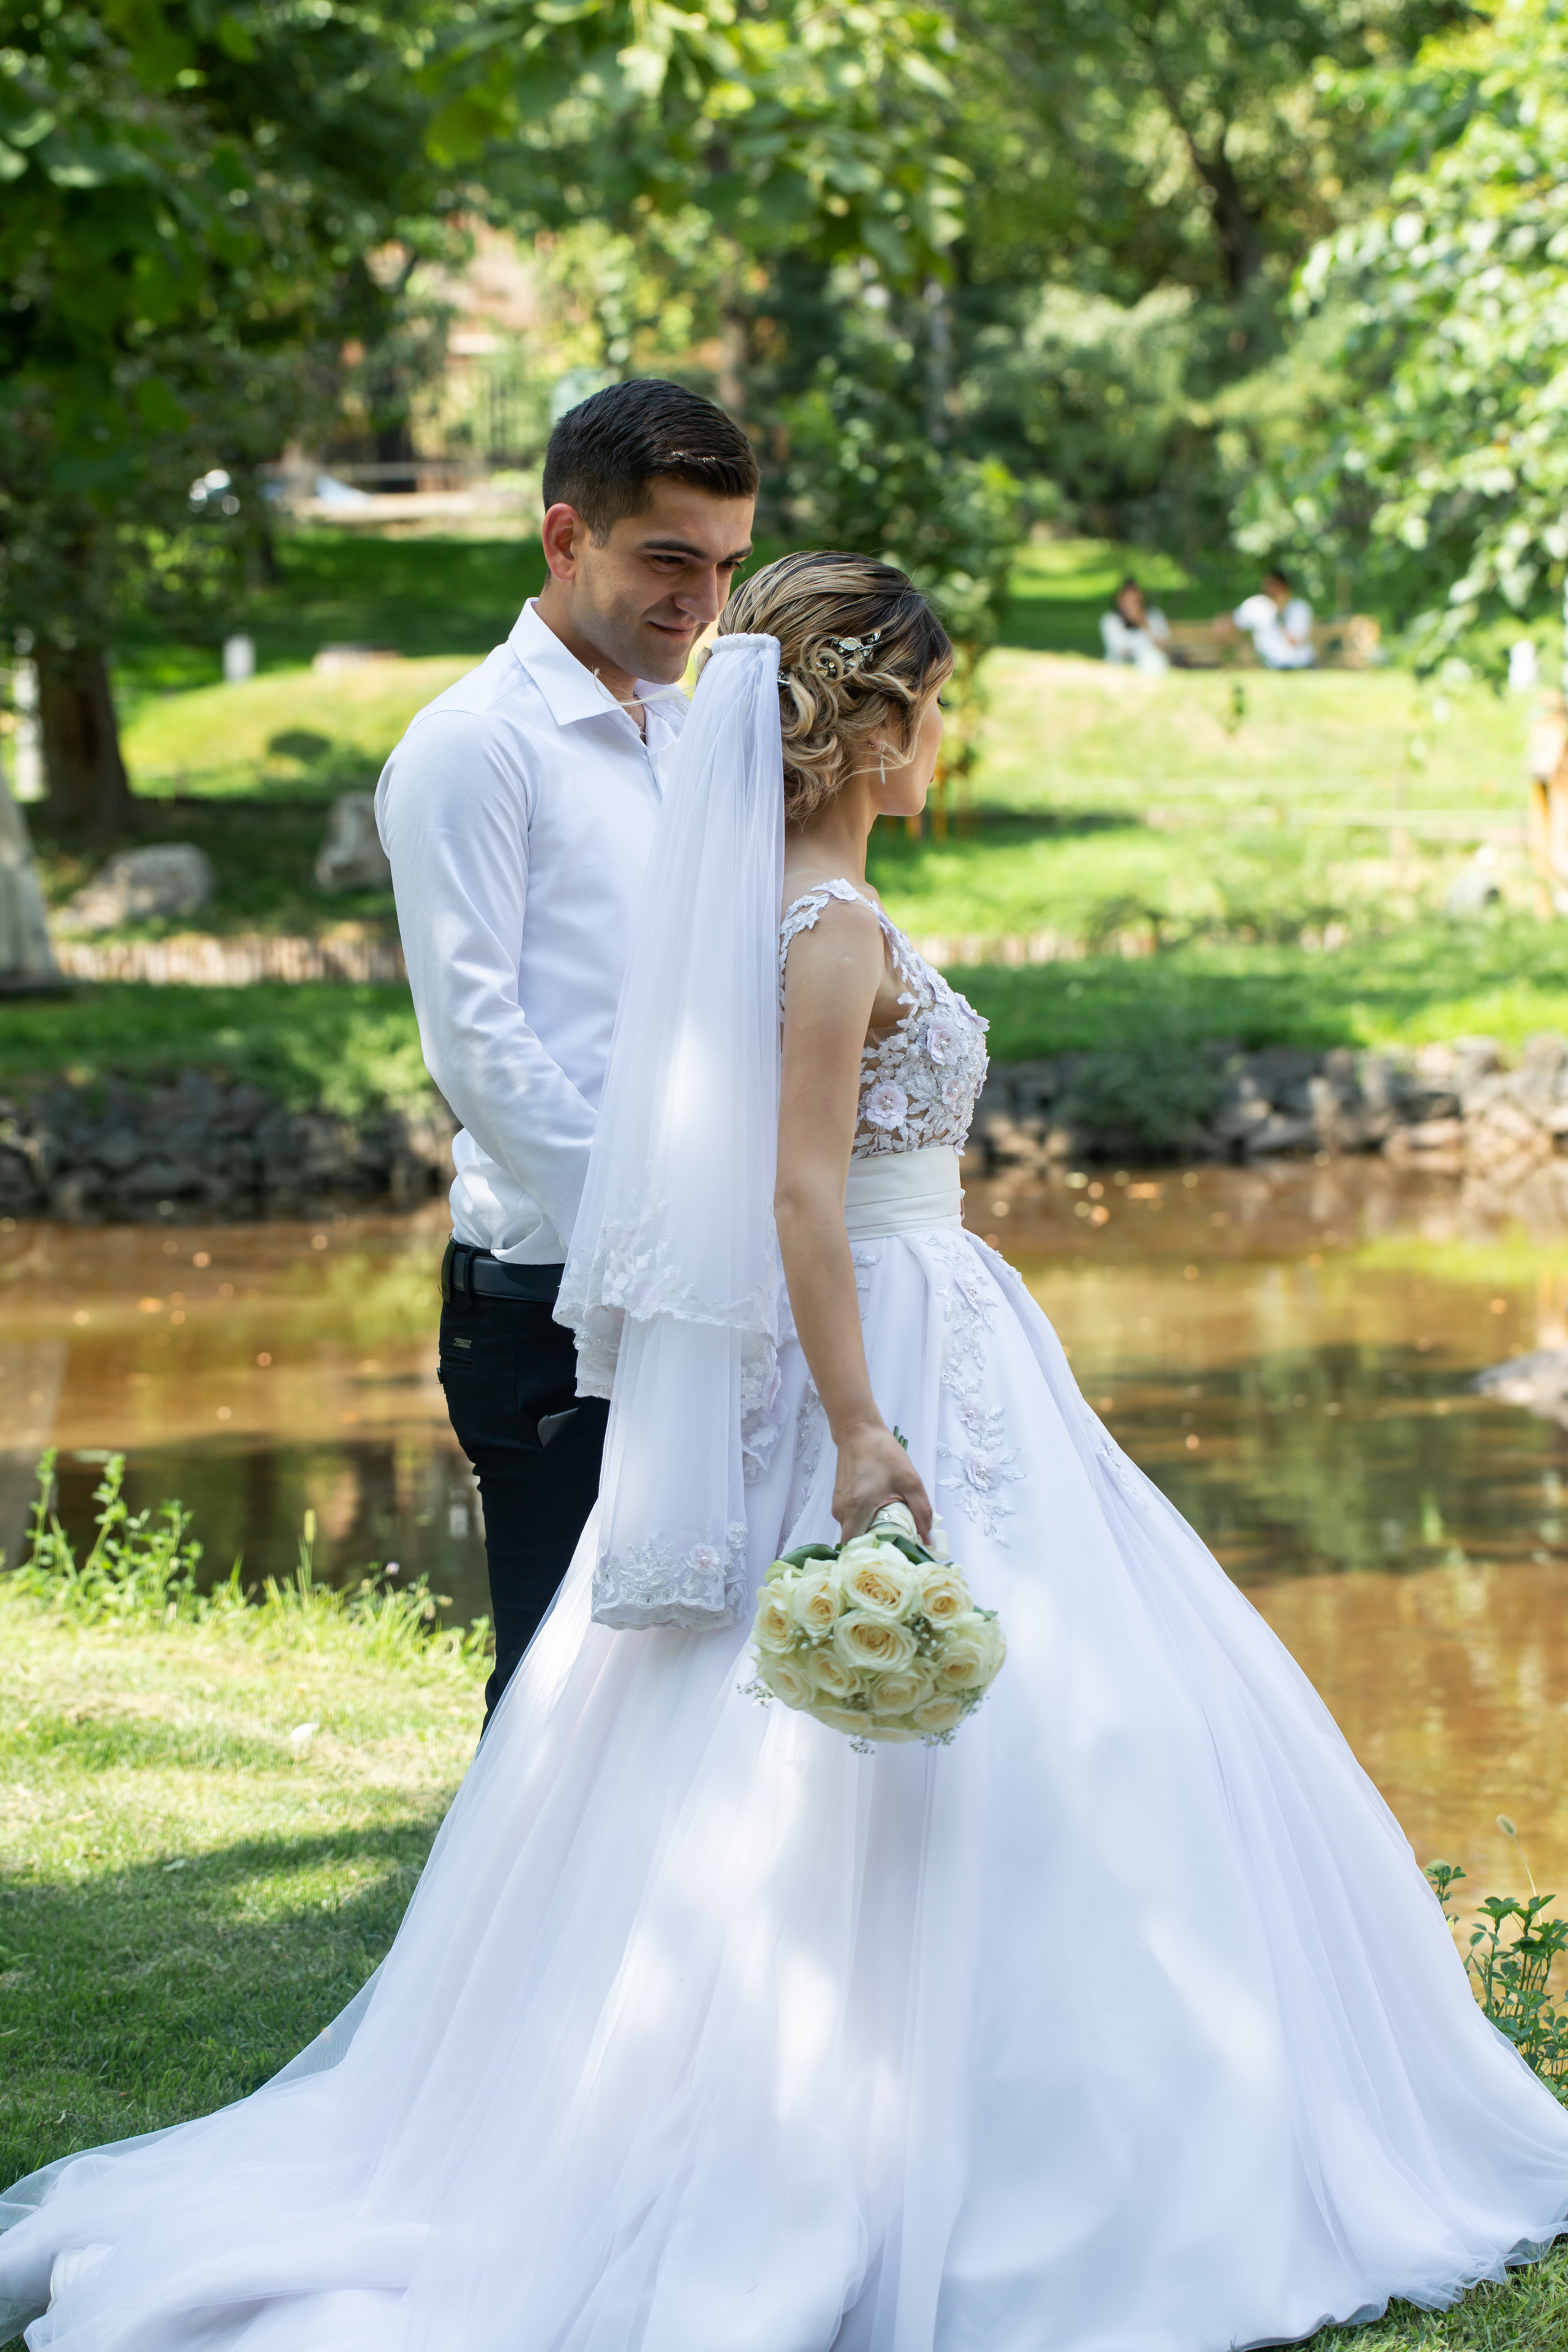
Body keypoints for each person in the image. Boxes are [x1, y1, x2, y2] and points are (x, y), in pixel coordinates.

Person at [5, 553, 1568, 2352]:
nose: (945, 736)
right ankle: (929, 2135)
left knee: (1049, 1721)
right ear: (875, 719)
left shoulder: (774, 907)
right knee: (971, 1734)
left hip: (934, 1314)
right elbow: (799, 1195)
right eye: (935, 701)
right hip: (876, 1334)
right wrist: (854, 1426)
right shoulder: (822, 930)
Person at [374, 377, 757, 1722]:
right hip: (553, 1296)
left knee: (689, 1694)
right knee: (557, 1696)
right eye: (668, 560)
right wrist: (647, 1250)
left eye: (723, 567)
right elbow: (479, 1043)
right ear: (563, 538)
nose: (700, 603)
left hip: (702, 1278)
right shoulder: (474, 747)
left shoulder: (693, 729)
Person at [1222, 567, 1316, 668]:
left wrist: (1279, 614)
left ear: (1285, 588)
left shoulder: (1299, 608)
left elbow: (1293, 641)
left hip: (1301, 662)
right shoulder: (1257, 606)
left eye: (1275, 586)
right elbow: (1229, 624)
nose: (1271, 590)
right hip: (1274, 664)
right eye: (1268, 586)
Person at [1098, 575, 1173, 673]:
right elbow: (1120, 650)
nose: (1132, 606)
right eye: (1128, 602)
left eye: (1136, 602)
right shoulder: (1111, 620)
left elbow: (1165, 646)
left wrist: (1143, 624)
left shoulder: (1154, 616)